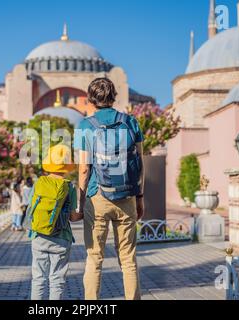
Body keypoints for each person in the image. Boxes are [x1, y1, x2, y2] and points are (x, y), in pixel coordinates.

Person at [74, 78, 145, 300]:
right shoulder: (131, 122)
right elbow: (141, 163)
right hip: (127, 197)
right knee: (128, 259)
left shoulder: (85, 125)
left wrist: (80, 201)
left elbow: (84, 169)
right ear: (114, 96)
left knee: (94, 258)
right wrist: (139, 197)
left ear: (90, 99)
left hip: (97, 198)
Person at [25, 144, 83, 300]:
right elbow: (73, 217)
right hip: (61, 238)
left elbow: (30, 209)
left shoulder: (39, 183)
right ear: (66, 166)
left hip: (38, 236)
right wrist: (84, 214)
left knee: (38, 278)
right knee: (57, 280)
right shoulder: (69, 187)